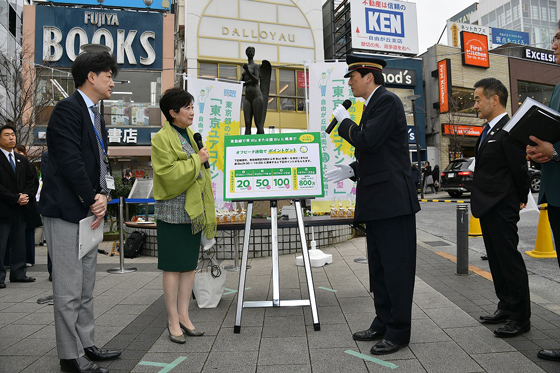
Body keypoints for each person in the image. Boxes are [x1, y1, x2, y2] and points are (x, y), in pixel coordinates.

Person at [326, 54, 420, 355]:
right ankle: (383, 320)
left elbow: (367, 141)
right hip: (379, 200)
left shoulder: (387, 101)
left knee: (396, 267)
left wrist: (345, 123)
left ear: (369, 76)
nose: (350, 82)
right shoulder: (372, 105)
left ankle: (399, 330)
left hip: (393, 202)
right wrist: (351, 169)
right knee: (379, 268)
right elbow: (378, 153)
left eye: (353, 76)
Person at [38, 51, 121, 373]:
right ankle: (70, 356)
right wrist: (92, 197)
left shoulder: (96, 113)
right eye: (109, 75)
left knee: (86, 287)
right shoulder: (67, 110)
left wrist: (103, 194)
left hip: (89, 212)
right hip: (67, 212)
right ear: (91, 76)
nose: (112, 81)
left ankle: (87, 345)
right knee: (69, 290)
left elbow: (100, 159)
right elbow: (70, 161)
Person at [152, 87, 216, 344]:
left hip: (193, 211)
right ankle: (172, 320)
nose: (191, 112)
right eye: (187, 108)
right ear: (172, 112)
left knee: (189, 265)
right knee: (172, 267)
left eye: (192, 107)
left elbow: (197, 167)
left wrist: (198, 160)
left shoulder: (190, 134)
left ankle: (184, 316)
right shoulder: (160, 139)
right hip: (172, 212)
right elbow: (167, 173)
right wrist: (196, 161)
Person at [471, 78, 530, 338]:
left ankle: (520, 317)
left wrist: (519, 198)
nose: (474, 105)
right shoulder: (488, 130)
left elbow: (520, 170)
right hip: (487, 205)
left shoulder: (510, 129)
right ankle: (505, 306)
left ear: (494, 99)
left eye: (477, 99)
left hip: (502, 205)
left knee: (509, 261)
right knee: (495, 260)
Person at [526, 21, 560, 362]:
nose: (553, 45)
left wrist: (555, 150)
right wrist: (539, 148)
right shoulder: (558, 87)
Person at [0, 125, 38, 288]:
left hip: (20, 208)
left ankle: (18, 273)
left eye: (13, 135)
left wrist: (26, 196)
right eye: (7, 135)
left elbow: (32, 180)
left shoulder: (21, 159)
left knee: (19, 243)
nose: (11, 138)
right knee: (1, 244)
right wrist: (14, 198)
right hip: (3, 208)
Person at [14, 144, 42, 267]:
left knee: (28, 233)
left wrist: (26, 196)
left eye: (20, 152)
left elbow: (34, 184)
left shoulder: (29, 165)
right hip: (13, 203)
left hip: (28, 204)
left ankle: (29, 259)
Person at [241, 46, 271, 135]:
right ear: (246, 53)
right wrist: (244, 77)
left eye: (252, 51)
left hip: (256, 96)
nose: (251, 53)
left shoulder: (256, 66)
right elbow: (240, 83)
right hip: (247, 97)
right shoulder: (244, 67)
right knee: (247, 123)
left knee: (258, 124)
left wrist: (247, 71)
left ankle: (262, 145)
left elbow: (256, 80)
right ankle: (246, 146)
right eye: (249, 51)